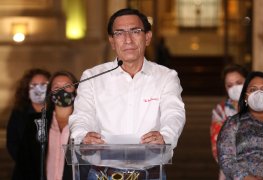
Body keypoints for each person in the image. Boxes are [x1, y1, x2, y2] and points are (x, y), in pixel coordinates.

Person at [68, 8, 186, 179]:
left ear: (147, 37)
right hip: (102, 174)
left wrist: (165, 137)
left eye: (135, 31)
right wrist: (82, 137)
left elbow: (174, 114)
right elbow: (81, 116)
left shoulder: (166, 77)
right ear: (112, 41)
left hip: (149, 174)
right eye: (120, 33)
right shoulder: (92, 77)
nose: (128, 40)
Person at [6, 68, 51, 180]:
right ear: (27, 89)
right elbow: (12, 143)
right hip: (24, 174)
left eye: (43, 84)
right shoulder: (19, 113)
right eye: (34, 85)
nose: (38, 89)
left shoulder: (56, 113)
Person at [210, 64, 248, 180]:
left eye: (239, 82)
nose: (234, 88)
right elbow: (218, 147)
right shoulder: (220, 111)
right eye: (229, 85)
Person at [45, 71, 78, 180]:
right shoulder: (39, 122)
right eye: (56, 87)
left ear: (75, 90)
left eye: (67, 86)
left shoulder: (84, 123)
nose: (61, 91)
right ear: (50, 92)